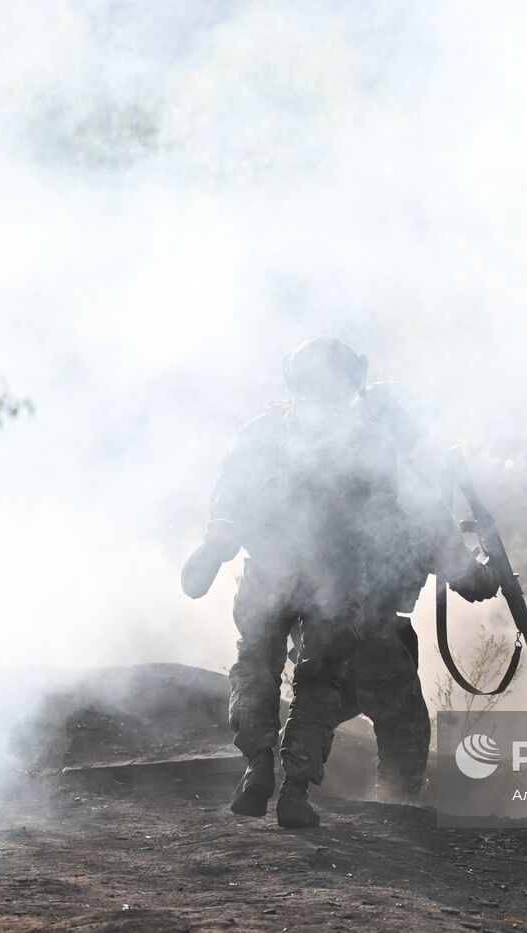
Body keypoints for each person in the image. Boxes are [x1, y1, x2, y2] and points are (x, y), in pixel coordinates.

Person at [181, 336, 397, 826]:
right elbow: (384, 522)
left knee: (256, 664)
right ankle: (296, 788)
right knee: (319, 678)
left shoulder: (264, 429)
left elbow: (228, 498)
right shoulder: (369, 438)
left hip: (271, 566)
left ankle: (258, 766)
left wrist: (219, 544)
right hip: (336, 578)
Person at [335, 382, 499, 803]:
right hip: (371, 623)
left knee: (324, 699)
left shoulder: (323, 471)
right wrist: (487, 572)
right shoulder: (406, 485)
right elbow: (459, 571)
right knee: (404, 723)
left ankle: (285, 781)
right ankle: (396, 812)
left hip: (316, 618)